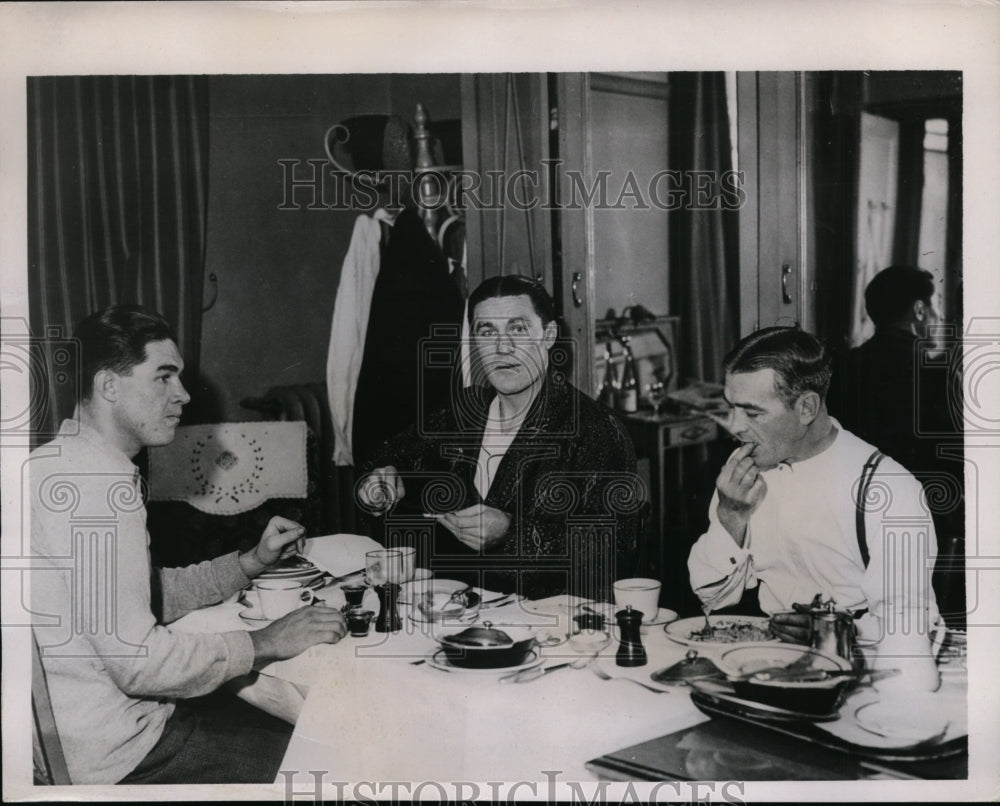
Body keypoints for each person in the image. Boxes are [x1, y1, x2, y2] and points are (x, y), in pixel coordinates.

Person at [31, 306, 348, 785]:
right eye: (163, 377)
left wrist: (249, 563)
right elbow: (140, 664)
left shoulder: (55, 463)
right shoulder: (96, 491)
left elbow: (140, 598)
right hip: (120, 756)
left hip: (81, 736)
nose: (182, 395)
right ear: (109, 386)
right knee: (339, 762)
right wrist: (267, 642)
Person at [358, 275, 641, 601]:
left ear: (548, 336)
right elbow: (385, 458)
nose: (501, 347)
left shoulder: (597, 429)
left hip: (553, 621)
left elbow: (611, 552)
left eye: (518, 329)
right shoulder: (463, 411)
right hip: (459, 610)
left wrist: (511, 532)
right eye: (487, 331)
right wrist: (379, 483)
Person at [688, 327, 941, 688]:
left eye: (752, 413)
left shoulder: (886, 488)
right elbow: (711, 597)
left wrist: (833, 631)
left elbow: (909, 628)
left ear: (806, 407)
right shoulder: (745, 472)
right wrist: (731, 514)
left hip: (867, 672)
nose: (734, 426)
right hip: (770, 662)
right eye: (731, 407)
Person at [826, 266, 964, 625]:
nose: (936, 319)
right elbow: (958, 454)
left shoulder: (842, 367)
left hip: (846, 513)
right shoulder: (935, 373)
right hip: (923, 515)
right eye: (933, 310)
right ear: (919, 311)